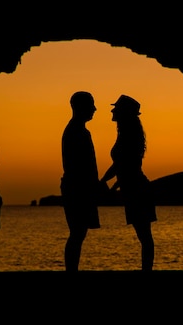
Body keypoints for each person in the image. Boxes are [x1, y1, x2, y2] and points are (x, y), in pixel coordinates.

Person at [100, 95, 157, 271]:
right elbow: (119, 166)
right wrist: (104, 181)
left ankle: (146, 271)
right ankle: (146, 270)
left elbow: (125, 166)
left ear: (123, 113)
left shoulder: (128, 136)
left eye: (116, 108)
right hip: (132, 188)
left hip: (137, 189)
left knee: (144, 235)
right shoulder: (125, 134)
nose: (112, 111)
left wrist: (111, 186)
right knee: (143, 235)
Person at [60, 91, 106, 272]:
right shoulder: (75, 131)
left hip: (80, 188)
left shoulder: (78, 130)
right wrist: (91, 186)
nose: (94, 109)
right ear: (80, 107)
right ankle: (72, 271)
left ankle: (72, 270)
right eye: (91, 105)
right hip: (77, 189)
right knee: (77, 233)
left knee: (79, 233)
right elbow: (78, 165)